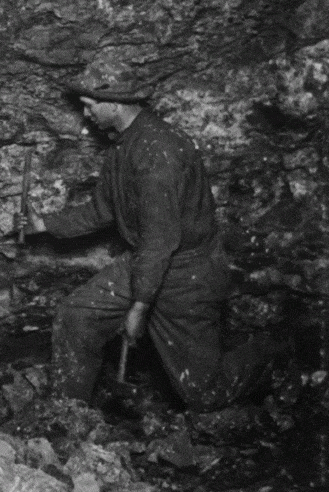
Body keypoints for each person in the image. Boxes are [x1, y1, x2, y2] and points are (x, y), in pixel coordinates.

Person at [20, 77, 265, 411]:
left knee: (205, 394)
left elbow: (160, 241)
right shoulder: (124, 145)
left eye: (90, 106)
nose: (86, 114)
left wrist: (139, 309)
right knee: (76, 316)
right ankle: (69, 415)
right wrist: (44, 224)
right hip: (148, 260)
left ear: (114, 104)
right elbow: (103, 210)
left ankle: (270, 351)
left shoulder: (157, 152)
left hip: (187, 273)